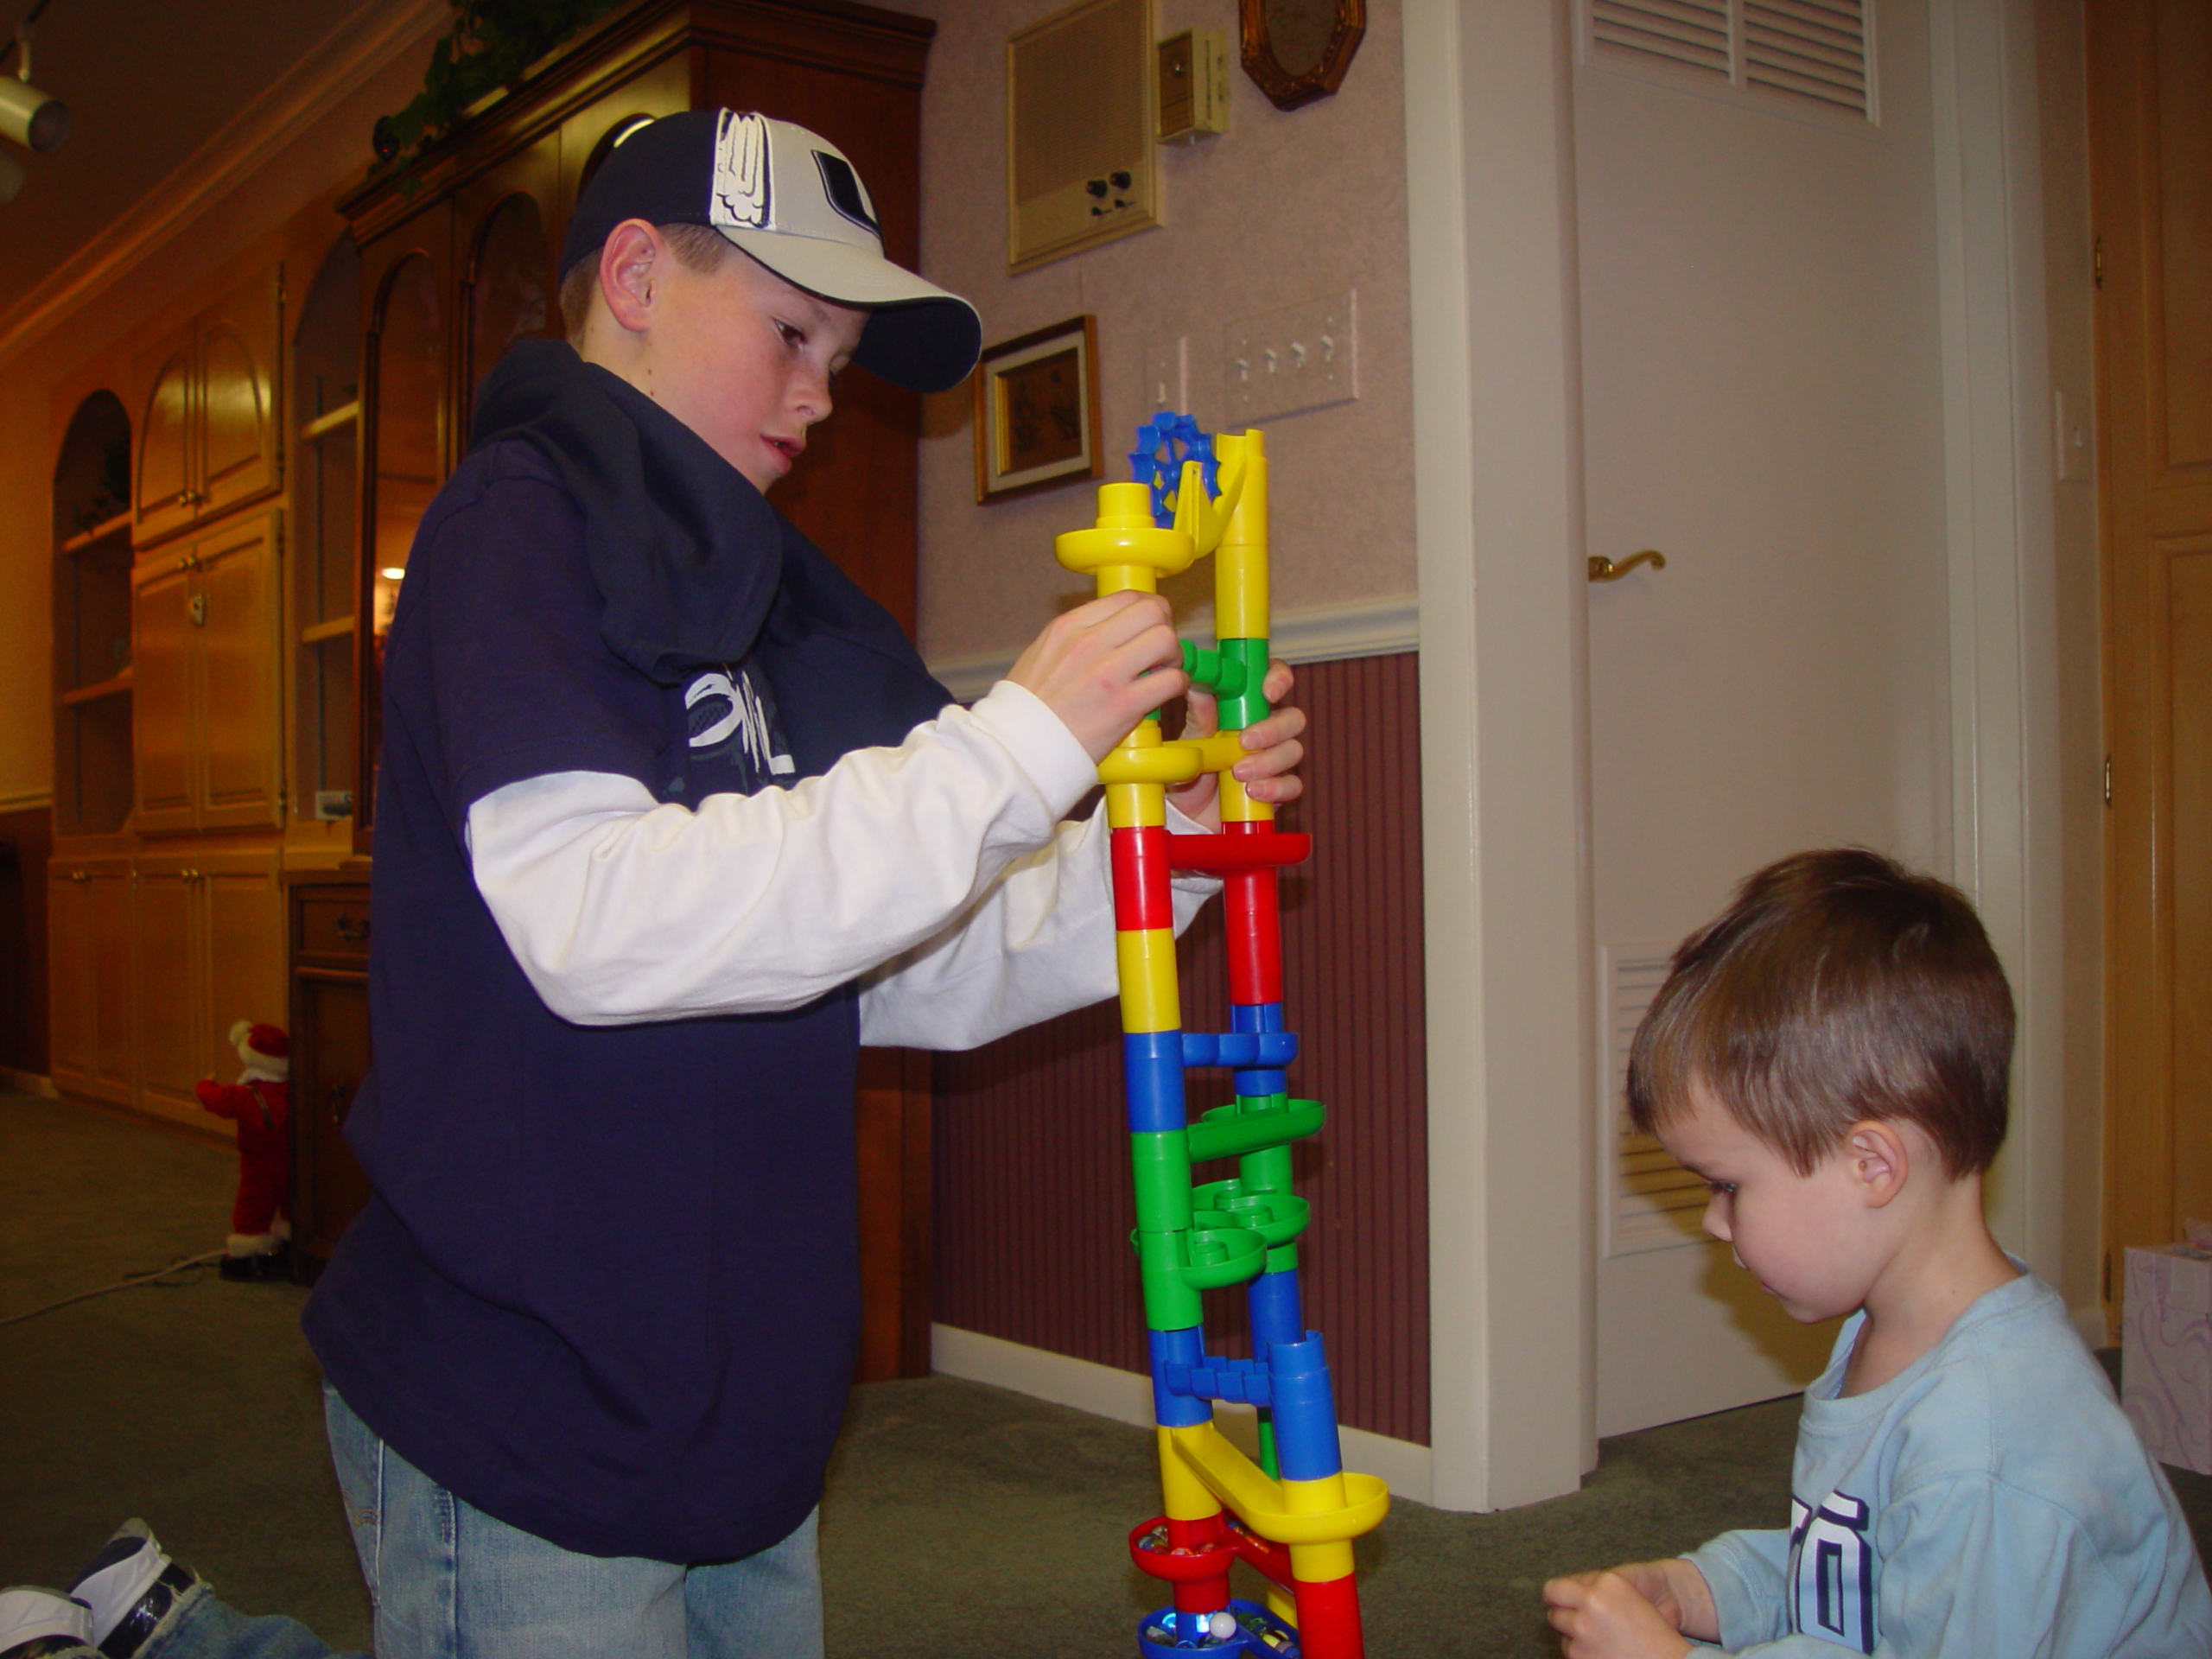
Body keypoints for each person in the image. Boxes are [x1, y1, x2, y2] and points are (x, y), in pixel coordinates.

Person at [277, 107, 1307, 1659]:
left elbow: (911, 953)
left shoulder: (789, 607)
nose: (823, 397)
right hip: (525, 1391)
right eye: (789, 332)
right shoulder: (516, 526)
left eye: (839, 353)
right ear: (633, 275)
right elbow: (590, 920)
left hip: (739, 1394)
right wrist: (1018, 744)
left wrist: (1166, 848)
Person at [1542, 849, 2212, 1658]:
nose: (1716, 1225)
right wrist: (1702, 1589)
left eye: (1727, 1186)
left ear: (1872, 1166)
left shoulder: (1989, 1443)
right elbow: (1854, 1570)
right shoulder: (1892, 1332)